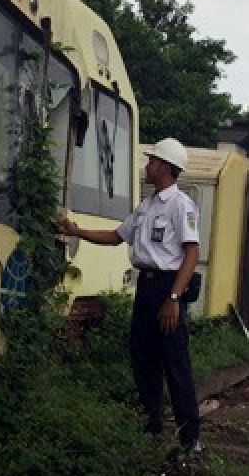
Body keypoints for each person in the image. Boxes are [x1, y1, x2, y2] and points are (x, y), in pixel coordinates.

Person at [57, 137, 202, 454]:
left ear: (164, 166)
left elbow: (191, 253)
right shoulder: (146, 207)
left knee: (175, 363)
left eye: (152, 160)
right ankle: (151, 429)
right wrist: (76, 231)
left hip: (168, 287)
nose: (147, 165)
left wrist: (174, 299)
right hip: (147, 288)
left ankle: (190, 440)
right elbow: (115, 237)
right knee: (144, 359)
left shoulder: (181, 205)